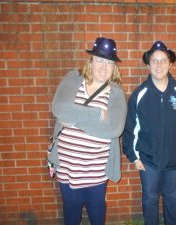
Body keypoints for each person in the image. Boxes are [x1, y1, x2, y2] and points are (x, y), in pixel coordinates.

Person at [48, 37, 127, 225]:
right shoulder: (74, 78)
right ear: (90, 61)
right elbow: (59, 108)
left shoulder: (116, 92)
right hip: (68, 167)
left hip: (96, 172)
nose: (104, 66)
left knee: (97, 213)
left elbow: (114, 128)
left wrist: (74, 119)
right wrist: (98, 114)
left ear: (114, 67)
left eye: (109, 62)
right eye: (99, 60)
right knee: (71, 213)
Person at [123, 41, 176, 225]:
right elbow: (130, 128)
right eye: (154, 61)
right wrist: (134, 157)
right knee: (149, 199)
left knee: (172, 199)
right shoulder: (139, 95)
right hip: (148, 161)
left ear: (170, 64)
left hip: (175, 160)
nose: (159, 65)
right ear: (148, 65)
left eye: (163, 60)